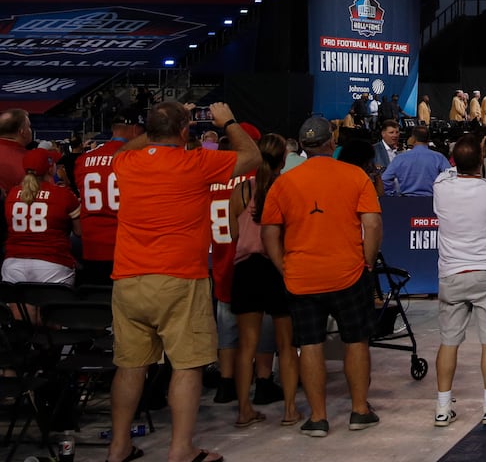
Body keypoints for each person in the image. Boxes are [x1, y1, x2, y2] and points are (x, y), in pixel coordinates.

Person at [107, 101, 260, 462]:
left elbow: (128, 146)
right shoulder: (196, 162)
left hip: (128, 279)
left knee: (130, 366)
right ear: (185, 131)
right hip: (179, 278)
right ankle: (180, 450)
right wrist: (228, 121)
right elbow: (251, 156)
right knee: (187, 365)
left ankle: (117, 447)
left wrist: (160, 124)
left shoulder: (127, 162)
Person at [261, 115, 383, 438]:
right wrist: (367, 262)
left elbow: (269, 231)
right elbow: (371, 224)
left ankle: (318, 417)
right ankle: (359, 410)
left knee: (310, 344)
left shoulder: (284, 182)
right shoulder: (356, 175)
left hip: (301, 277)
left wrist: (281, 265)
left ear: (301, 146)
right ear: (332, 142)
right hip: (348, 273)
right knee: (356, 341)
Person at [431, 134, 486, 428]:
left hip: (452, 274)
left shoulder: (441, 187)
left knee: (448, 342)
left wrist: (475, 158)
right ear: (482, 161)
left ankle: (442, 409)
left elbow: (453, 170)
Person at [228, 132, 302, 428]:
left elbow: (233, 234)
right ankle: (290, 410)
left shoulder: (242, 189)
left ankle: (244, 410)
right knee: (286, 344)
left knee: (246, 346)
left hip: (246, 269)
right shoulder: (286, 188)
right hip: (278, 268)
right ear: (284, 158)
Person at [74, 114, 142, 284]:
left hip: (91, 247)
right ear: (135, 129)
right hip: (124, 247)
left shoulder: (83, 160)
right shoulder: (135, 158)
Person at [2, 148, 78, 286]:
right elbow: (79, 231)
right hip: (53, 263)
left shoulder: (12, 194)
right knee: (52, 307)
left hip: (13, 263)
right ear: (50, 169)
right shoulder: (63, 194)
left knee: (20, 307)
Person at [380, 124, 451, 196]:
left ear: (413, 138)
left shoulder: (400, 158)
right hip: (432, 201)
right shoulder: (438, 157)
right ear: (428, 139)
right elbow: (451, 177)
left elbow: (385, 179)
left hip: (406, 201)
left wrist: (392, 194)